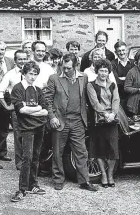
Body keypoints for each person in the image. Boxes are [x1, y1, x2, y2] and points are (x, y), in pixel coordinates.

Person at [46, 53, 98, 191]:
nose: (66, 70)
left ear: (76, 66)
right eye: (64, 67)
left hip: (77, 121)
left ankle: (84, 181)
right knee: (58, 152)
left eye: (69, 68)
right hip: (60, 120)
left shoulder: (84, 77)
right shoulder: (54, 78)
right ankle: (58, 179)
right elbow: (47, 100)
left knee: (81, 152)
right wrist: (52, 117)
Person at [9, 61, 49, 202]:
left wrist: (33, 109)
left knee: (36, 157)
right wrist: (37, 108)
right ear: (24, 73)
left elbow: (45, 110)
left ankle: (33, 185)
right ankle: (21, 189)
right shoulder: (18, 89)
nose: (32, 77)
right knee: (27, 158)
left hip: (40, 127)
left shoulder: (38, 90)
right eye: (30, 73)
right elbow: (20, 110)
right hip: (26, 128)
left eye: (35, 74)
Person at [86, 59, 120, 188]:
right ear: (97, 71)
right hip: (98, 120)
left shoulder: (112, 85)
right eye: (101, 70)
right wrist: (105, 114)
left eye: (106, 71)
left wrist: (113, 114)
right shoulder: (91, 85)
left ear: (108, 72)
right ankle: (104, 175)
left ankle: (110, 174)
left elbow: (116, 100)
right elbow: (94, 103)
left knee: (113, 149)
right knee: (99, 149)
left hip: (111, 120)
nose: (103, 73)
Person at [0, 50, 30, 170]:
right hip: (18, 110)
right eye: (20, 59)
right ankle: (20, 163)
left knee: (32, 136)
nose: (22, 61)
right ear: (15, 61)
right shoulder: (10, 74)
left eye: (24, 59)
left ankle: (31, 162)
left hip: (32, 109)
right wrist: (7, 106)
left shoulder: (32, 73)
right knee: (19, 136)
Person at [111, 41, 133, 113]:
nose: (122, 52)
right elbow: (116, 81)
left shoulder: (133, 62)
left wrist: (123, 79)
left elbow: (136, 80)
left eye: (123, 50)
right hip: (119, 95)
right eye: (119, 51)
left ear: (127, 50)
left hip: (132, 95)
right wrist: (129, 80)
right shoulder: (113, 64)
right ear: (116, 52)